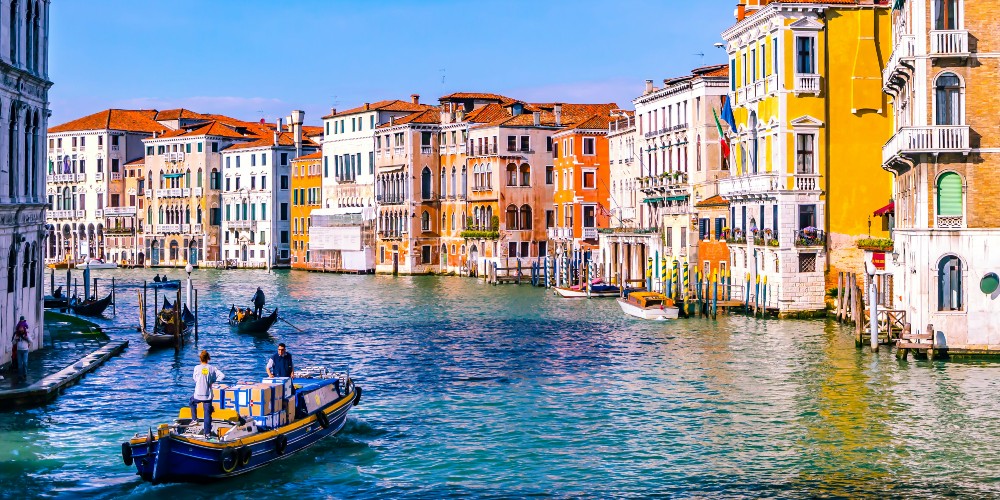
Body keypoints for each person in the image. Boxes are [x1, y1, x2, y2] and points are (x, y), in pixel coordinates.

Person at [190, 350, 224, 437]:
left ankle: (194, 419)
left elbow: (195, 379)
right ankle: (207, 433)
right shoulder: (212, 368)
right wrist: (212, 381)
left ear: (200, 359)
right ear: (208, 358)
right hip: (207, 395)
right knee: (207, 414)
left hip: (198, 394)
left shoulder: (196, 368)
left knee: (192, 402)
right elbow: (222, 376)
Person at [13, 316, 30, 382]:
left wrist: (26, 338)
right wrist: (16, 340)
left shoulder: (26, 334)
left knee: (25, 362)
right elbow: (13, 342)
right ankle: (20, 375)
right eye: (20, 328)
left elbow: (31, 341)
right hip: (19, 350)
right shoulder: (17, 334)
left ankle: (25, 374)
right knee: (20, 364)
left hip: (25, 350)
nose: (21, 329)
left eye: (22, 328)